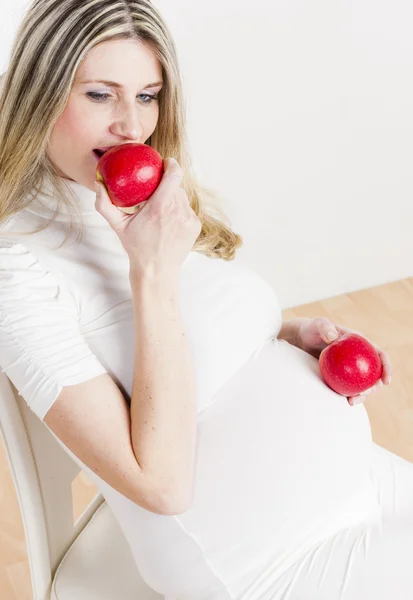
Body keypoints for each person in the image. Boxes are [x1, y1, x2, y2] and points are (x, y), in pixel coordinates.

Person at [0, 2, 411, 599]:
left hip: (357, 483)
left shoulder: (135, 196)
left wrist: (285, 339)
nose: (130, 126)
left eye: (147, 96)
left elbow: (182, 347)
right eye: (99, 95)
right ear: (40, 95)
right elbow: (160, 485)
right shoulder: (17, 269)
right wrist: (153, 272)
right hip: (268, 559)